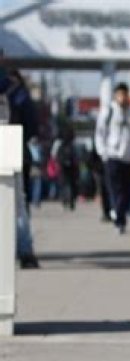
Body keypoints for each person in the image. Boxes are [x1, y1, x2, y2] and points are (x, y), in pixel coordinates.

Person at [0, 68, 40, 268]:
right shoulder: (15, 89)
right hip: (11, 148)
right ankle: (25, 252)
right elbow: (32, 124)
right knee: (17, 204)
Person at [94, 82, 130, 234]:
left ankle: (119, 213)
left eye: (125, 94)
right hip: (113, 156)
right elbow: (100, 133)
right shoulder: (108, 112)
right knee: (116, 189)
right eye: (120, 95)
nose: (122, 98)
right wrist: (103, 152)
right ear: (115, 96)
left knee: (128, 190)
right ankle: (119, 219)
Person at [51, 122, 78, 210]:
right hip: (71, 166)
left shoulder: (60, 144)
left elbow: (54, 155)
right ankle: (71, 200)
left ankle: (65, 200)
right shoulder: (72, 144)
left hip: (62, 166)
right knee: (71, 183)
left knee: (63, 184)